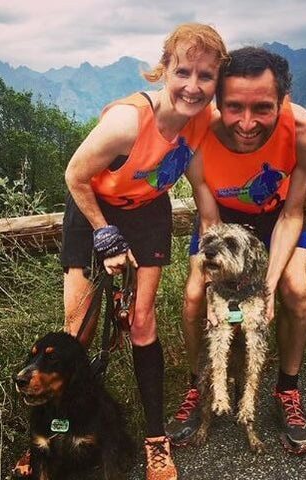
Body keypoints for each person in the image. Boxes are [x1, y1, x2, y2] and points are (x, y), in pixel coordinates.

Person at [60, 23, 227, 480]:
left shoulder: (200, 123)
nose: (193, 86)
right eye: (183, 72)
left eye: (206, 76)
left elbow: (202, 191)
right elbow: (74, 175)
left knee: (141, 321)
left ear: (217, 81)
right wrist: (103, 234)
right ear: (164, 70)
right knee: (78, 330)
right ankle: (54, 438)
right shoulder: (127, 122)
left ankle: (156, 439)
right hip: (91, 207)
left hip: (147, 211)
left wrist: (214, 263)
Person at [165, 46, 306, 454]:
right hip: (220, 223)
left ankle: (286, 389)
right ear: (218, 101)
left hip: (276, 219)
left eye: (263, 108)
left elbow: (293, 213)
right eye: (234, 106)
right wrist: (218, 280)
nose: (247, 122)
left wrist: (266, 284)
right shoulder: (197, 136)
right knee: (194, 295)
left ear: (283, 101)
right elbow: (207, 216)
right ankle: (197, 383)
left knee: (296, 290)